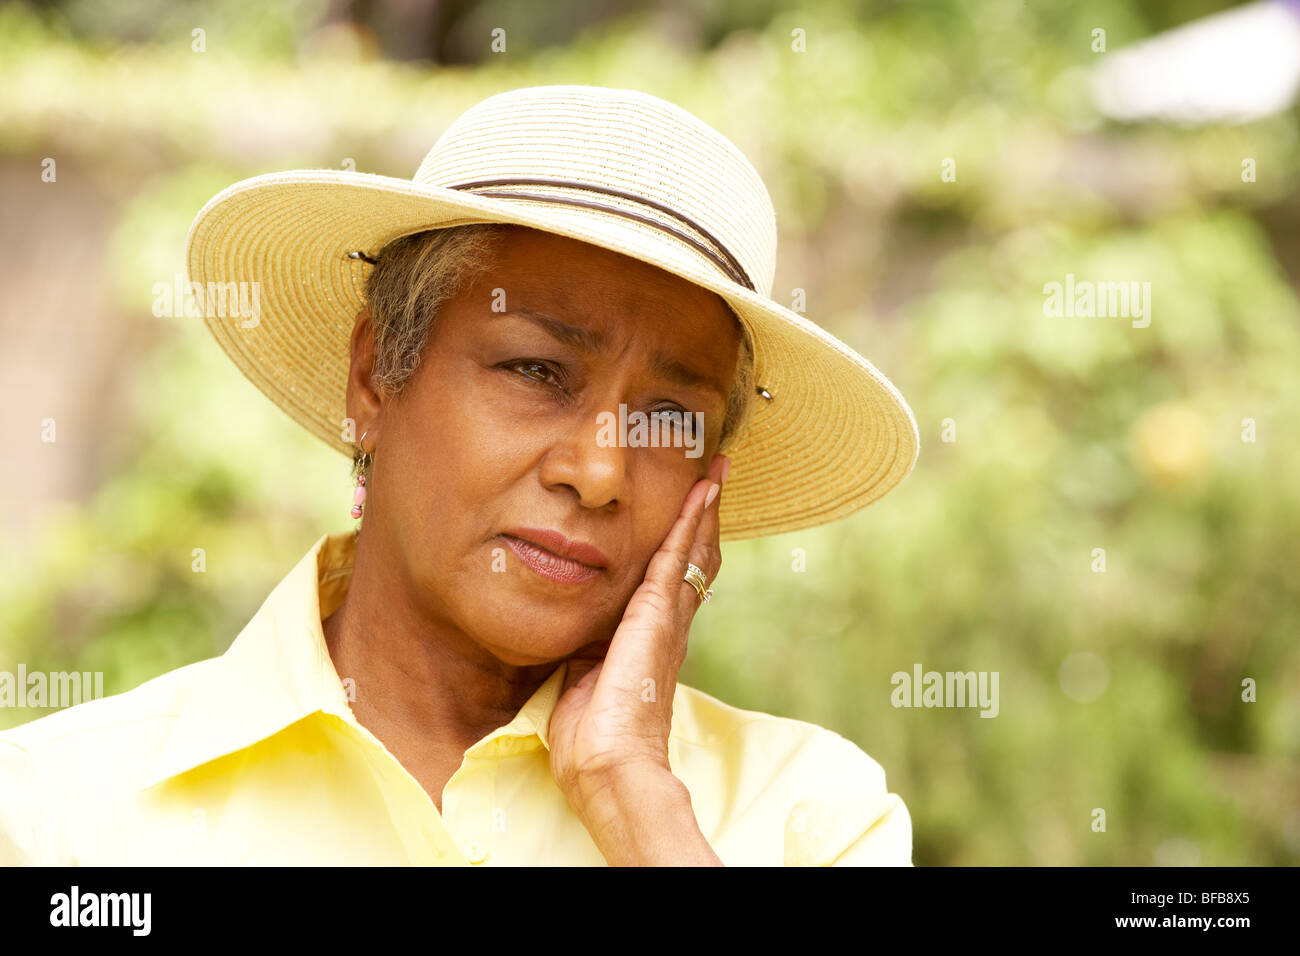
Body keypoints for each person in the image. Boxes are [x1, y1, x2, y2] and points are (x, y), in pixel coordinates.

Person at [0, 85, 919, 865]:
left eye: (670, 418)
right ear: (375, 373)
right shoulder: (63, 816)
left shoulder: (809, 817)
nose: (599, 472)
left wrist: (637, 804)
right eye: (536, 372)